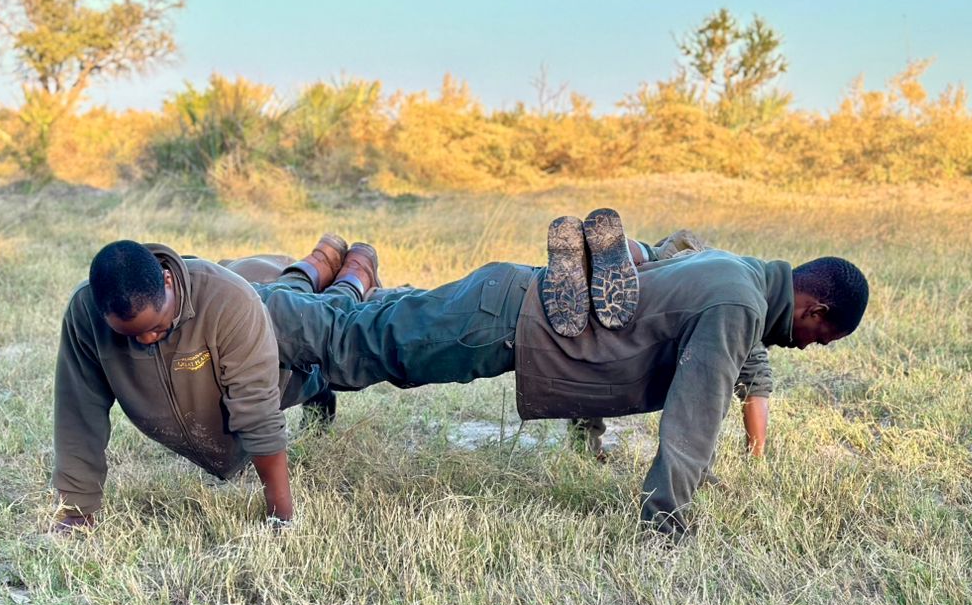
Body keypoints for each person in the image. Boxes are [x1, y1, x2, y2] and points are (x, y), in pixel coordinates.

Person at [254, 208, 868, 534]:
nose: (809, 348)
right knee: (358, 345)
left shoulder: (732, 270)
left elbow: (623, 332)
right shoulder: (740, 302)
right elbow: (698, 410)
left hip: (505, 303)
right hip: (502, 319)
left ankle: (332, 294)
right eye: (821, 337)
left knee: (381, 328)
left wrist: (590, 431)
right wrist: (668, 515)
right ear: (815, 309)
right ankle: (248, 305)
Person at [51, 235, 378, 531]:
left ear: (168, 281)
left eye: (158, 327)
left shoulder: (229, 300)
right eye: (133, 335)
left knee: (324, 318)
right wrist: (76, 512)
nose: (148, 339)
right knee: (288, 293)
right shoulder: (86, 313)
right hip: (255, 297)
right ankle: (322, 259)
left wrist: (281, 518)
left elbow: (258, 413)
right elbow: (79, 411)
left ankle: (356, 273)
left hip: (287, 370)